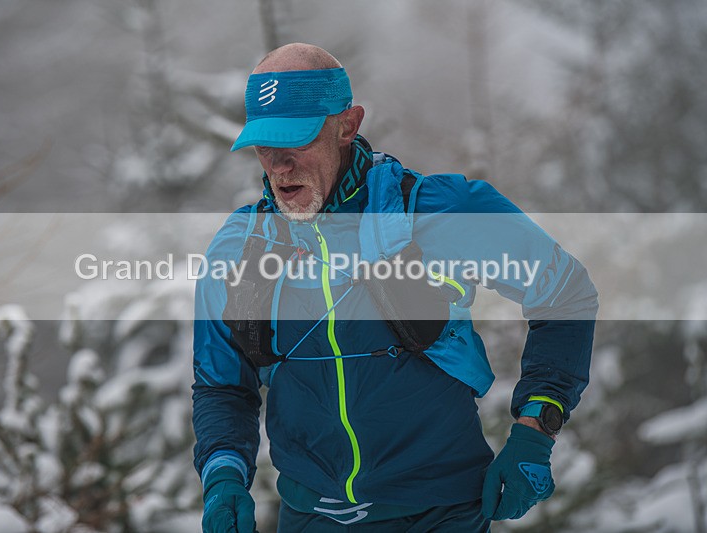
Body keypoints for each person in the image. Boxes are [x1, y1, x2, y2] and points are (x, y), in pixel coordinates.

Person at [192, 43, 598, 532]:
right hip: (309, 516)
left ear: (348, 124)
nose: (279, 166)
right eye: (265, 146)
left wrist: (536, 430)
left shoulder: (435, 211)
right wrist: (222, 479)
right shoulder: (240, 248)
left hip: (441, 513)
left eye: (296, 141)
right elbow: (221, 384)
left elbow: (565, 292)